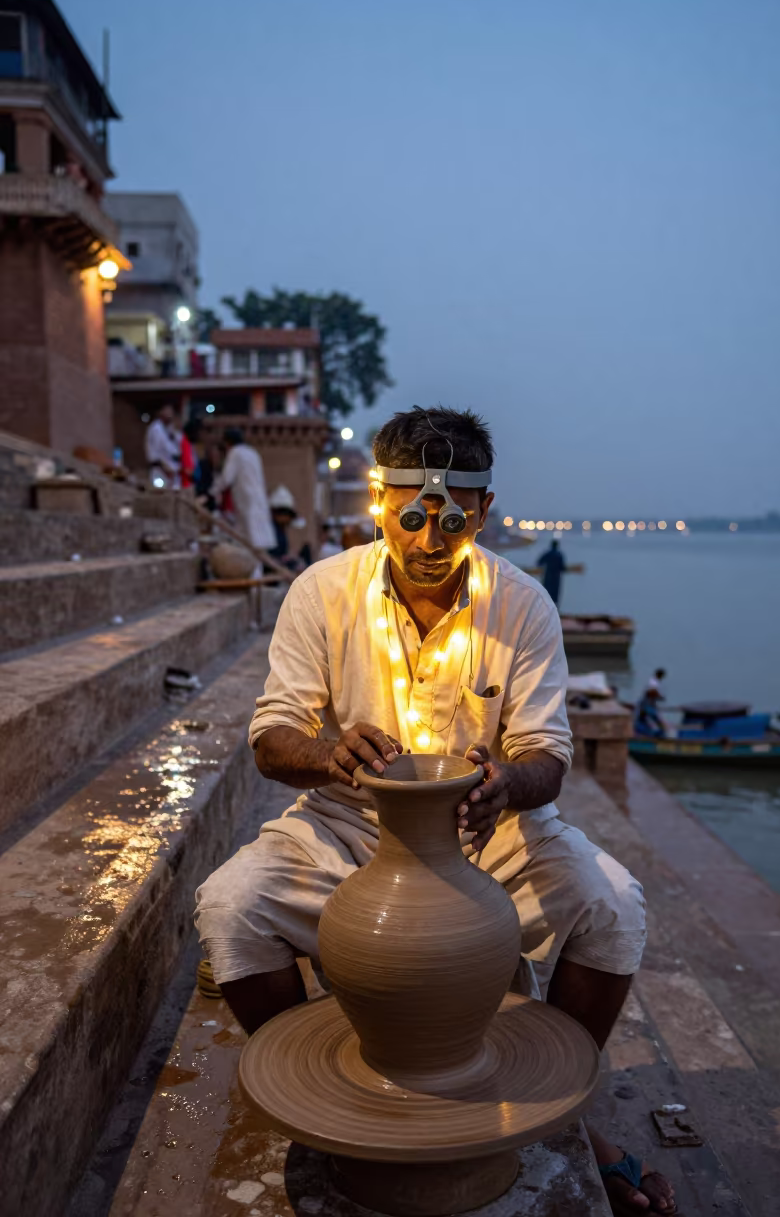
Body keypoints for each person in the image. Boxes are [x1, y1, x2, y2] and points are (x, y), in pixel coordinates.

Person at [194, 406, 674, 1215]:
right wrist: (328, 753)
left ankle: (550, 1107)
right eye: (410, 517)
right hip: (349, 829)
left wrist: (506, 783)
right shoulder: (323, 592)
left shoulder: (523, 605)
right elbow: (273, 738)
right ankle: (331, 1102)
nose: (426, 541)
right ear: (379, 502)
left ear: (482, 512)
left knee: (615, 905)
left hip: (491, 831)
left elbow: (547, 758)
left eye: (449, 521)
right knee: (230, 905)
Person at [214, 428, 276, 551]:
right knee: (252, 539)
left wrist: (213, 491)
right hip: (257, 498)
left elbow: (227, 478)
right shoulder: (253, 453)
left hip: (246, 499)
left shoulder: (235, 453)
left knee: (248, 539)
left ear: (227, 443)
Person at [144, 405, 179, 487]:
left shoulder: (170, 428)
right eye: (167, 411)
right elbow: (155, 453)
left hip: (172, 470)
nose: (170, 414)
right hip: (160, 470)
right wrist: (165, 468)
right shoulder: (156, 428)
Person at [540, 538, 567, 606]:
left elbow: (539, 562)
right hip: (556, 578)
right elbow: (562, 567)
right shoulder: (559, 555)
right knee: (555, 596)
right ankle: (555, 612)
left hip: (548, 577)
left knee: (546, 594)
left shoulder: (548, 554)